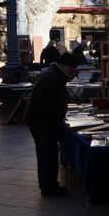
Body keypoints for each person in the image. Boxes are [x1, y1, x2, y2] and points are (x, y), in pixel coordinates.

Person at [24, 52, 77, 197]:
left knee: (47, 154)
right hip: (42, 123)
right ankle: (50, 188)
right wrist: (55, 122)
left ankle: (49, 186)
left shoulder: (54, 75)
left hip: (42, 122)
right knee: (48, 154)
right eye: (71, 68)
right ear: (62, 65)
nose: (72, 71)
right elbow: (46, 104)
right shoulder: (51, 77)